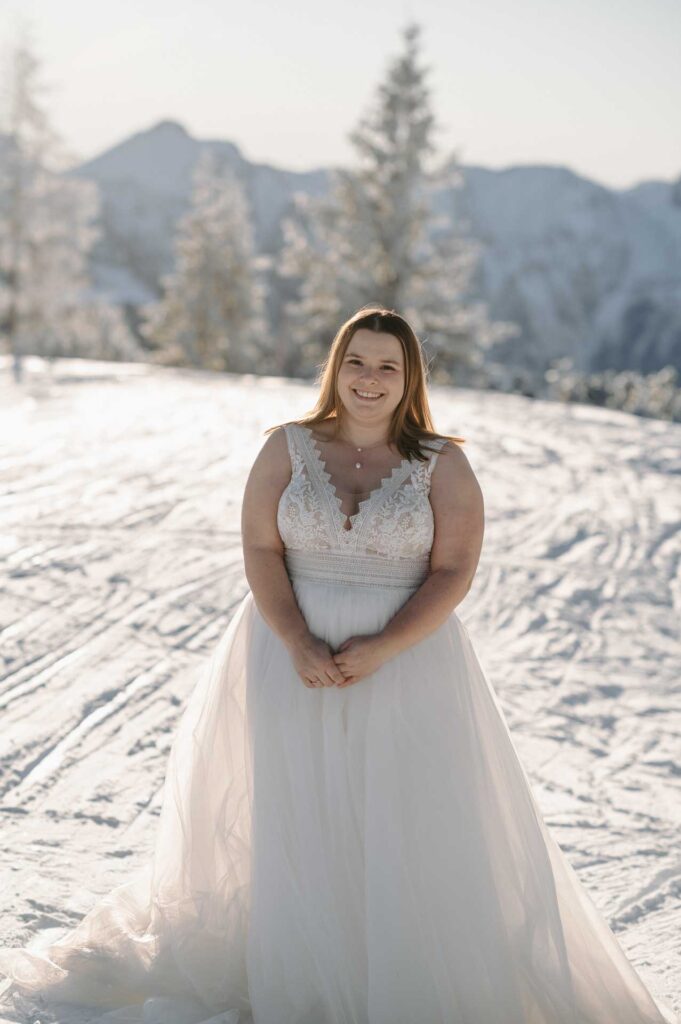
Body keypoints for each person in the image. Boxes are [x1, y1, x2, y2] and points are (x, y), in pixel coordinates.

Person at [0, 306, 676, 1024]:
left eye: (388, 365)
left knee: (399, 816)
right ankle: (293, 960)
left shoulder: (442, 462)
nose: (369, 378)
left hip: (408, 664)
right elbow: (261, 549)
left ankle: (387, 966)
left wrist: (384, 646)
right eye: (357, 361)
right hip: (282, 655)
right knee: (292, 808)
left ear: (410, 377)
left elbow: (452, 570)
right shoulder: (285, 448)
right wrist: (294, 638)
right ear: (335, 365)